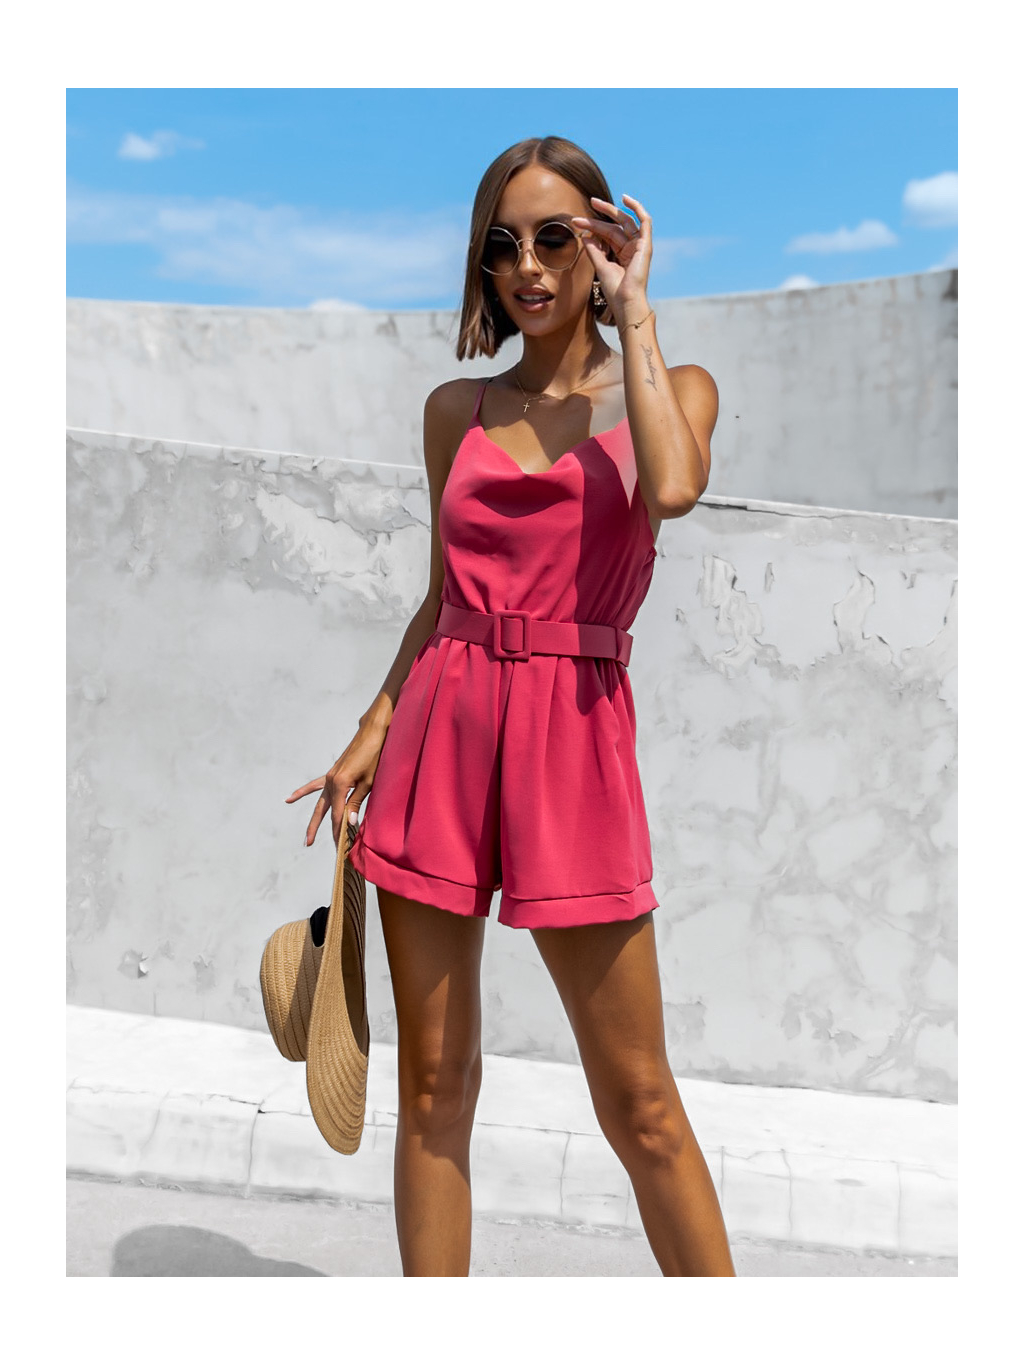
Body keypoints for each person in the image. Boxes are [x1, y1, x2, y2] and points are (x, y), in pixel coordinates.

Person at [286, 135, 735, 1277]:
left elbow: (674, 488)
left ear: (603, 242)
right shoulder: (457, 410)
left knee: (640, 1103)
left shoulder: (674, 389)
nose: (528, 265)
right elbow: (441, 596)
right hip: (442, 733)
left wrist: (636, 311)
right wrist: (367, 735)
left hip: (573, 743)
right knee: (435, 1087)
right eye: (503, 244)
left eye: (555, 237)